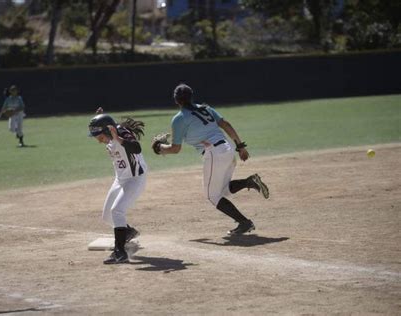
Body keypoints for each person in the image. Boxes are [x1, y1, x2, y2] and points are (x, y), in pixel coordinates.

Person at [155, 83, 269, 235]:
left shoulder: (179, 119)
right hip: (227, 149)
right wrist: (240, 146)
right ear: (191, 96)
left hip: (214, 153)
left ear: (176, 100)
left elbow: (175, 149)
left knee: (213, 196)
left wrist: (159, 148)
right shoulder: (206, 108)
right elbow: (225, 124)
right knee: (224, 190)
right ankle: (249, 182)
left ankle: (244, 222)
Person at [88, 107, 147, 264]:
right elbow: (108, 126)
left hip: (135, 178)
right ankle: (127, 232)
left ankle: (120, 252)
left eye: (99, 136)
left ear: (107, 131)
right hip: (120, 179)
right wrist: (100, 119)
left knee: (117, 211)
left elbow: (136, 147)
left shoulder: (121, 133)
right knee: (108, 216)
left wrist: (117, 138)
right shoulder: (109, 133)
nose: (98, 140)